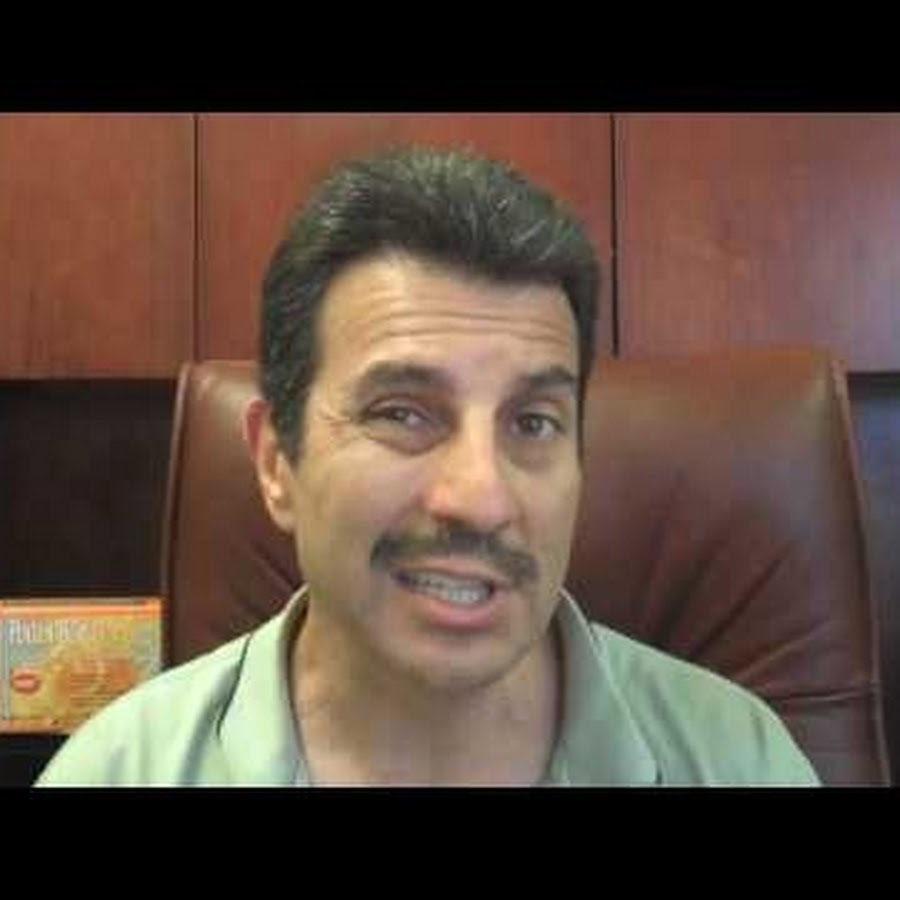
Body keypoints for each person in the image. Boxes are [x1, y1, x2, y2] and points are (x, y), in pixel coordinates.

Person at [37, 145, 820, 786]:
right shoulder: (118, 772)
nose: (482, 497)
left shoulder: (738, 760)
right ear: (276, 462)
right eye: (403, 413)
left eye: (533, 422)